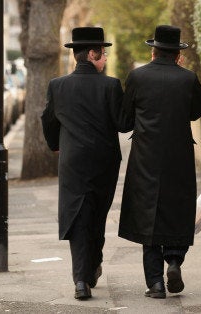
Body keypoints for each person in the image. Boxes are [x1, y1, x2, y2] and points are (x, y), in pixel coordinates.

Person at [118, 25, 201, 299]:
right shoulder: (188, 79)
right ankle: (175, 260)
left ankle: (155, 282)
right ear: (178, 55)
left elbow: (123, 122)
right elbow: (196, 112)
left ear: (153, 51)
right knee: (177, 208)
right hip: (178, 155)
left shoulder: (137, 77)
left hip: (146, 155)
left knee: (148, 214)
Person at [41, 27, 127, 300]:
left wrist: (58, 146)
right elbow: (124, 123)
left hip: (73, 162)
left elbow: (48, 121)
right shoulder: (111, 85)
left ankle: (81, 279)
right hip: (104, 162)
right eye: (103, 53)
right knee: (97, 216)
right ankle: (91, 268)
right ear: (92, 54)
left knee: (78, 217)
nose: (105, 58)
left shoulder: (58, 86)